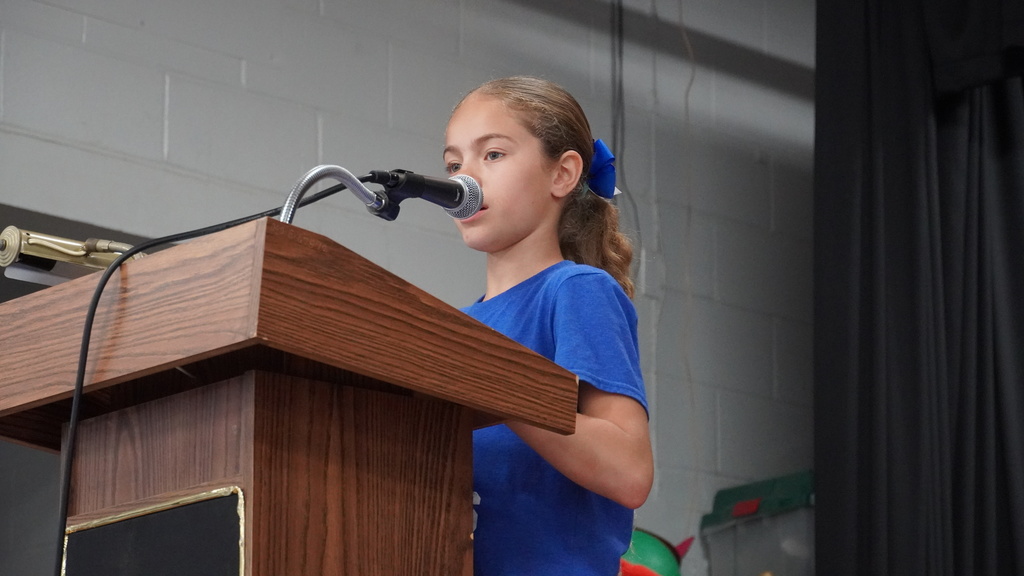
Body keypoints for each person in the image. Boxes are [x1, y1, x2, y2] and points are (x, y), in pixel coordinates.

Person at [443, 75, 654, 575]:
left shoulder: (576, 290)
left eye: (492, 155)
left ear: (562, 174)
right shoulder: (459, 326)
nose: (463, 180)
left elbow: (630, 472)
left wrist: (498, 388)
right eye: (453, 164)